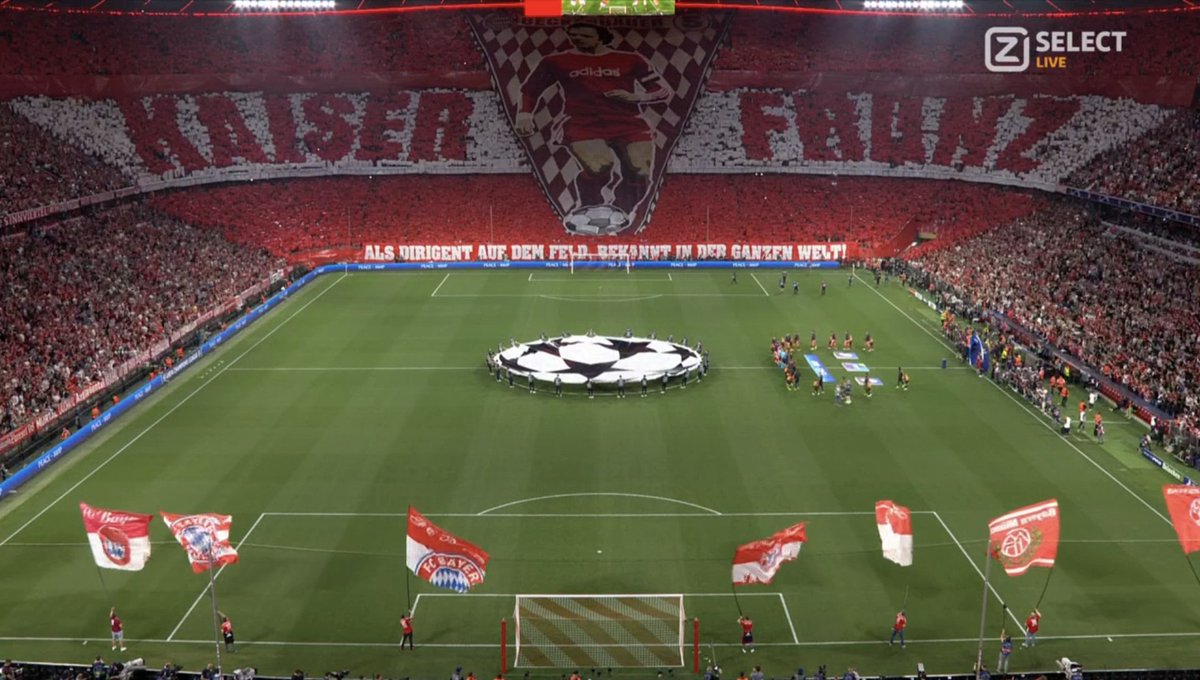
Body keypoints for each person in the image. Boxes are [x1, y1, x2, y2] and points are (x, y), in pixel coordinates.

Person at [514, 23, 672, 231]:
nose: (577, 38)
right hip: (582, 122)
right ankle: (589, 207)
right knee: (600, 166)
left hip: (629, 122)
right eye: (573, 34)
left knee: (640, 170)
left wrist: (637, 97)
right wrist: (525, 114)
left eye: (584, 34)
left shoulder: (630, 59)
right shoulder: (556, 61)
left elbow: (662, 90)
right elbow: (530, 89)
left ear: (601, 36)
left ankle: (619, 212)